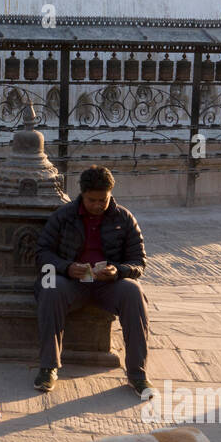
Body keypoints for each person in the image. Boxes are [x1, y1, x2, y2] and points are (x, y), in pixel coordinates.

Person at [33, 165, 151, 395]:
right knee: (50, 286)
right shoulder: (63, 216)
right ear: (82, 194)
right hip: (71, 282)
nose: (97, 205)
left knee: (133, 291)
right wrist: (66, 268)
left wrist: (118, 271)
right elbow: (42, 254)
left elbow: (139, 262)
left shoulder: (124, 218)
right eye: (91, 200)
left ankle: (138, 374)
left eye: (103, 200)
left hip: (109, 284)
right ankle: (48, 367)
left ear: (110, 195)